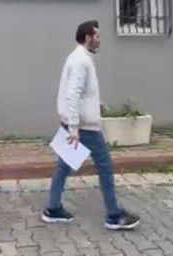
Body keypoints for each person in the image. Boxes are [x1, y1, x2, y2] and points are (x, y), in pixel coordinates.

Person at [42, 20, 140, 230]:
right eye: (97, 36)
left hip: (76, 122)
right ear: (88, 37)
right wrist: (74, 128)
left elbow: (82, 93)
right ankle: (113, 215)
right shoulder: (81, 61)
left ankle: (53, 208)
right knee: (104, 165)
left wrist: (95, 106)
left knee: (63, 166)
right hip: (85, 127)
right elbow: (73, 94)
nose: (99, 40)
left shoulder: (77, 57)